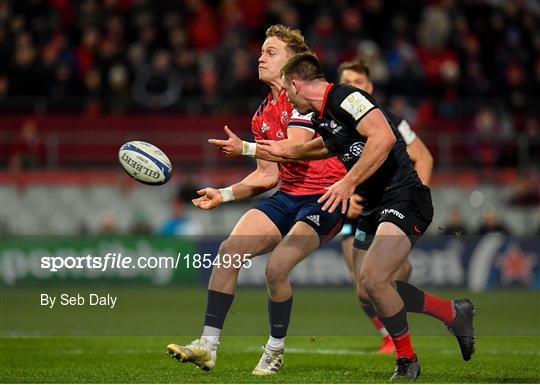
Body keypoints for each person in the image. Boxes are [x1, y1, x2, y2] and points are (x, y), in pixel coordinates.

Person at [257, 53, 476, 380]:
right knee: (367, 290)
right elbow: (316, 149)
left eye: (288, 90)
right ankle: (452, 312)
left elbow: (384, 138)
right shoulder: (323, 115)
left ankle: (407, 362)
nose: (286, 98)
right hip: (373, 207)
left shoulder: (347, 97)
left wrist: (348, 181)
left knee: (375, 278)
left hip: (402, 197)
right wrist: (251, 149)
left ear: (298, 84)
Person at [166, 26, 346, 375]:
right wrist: (225, 193)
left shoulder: (307, 95)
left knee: (276, 269)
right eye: (261, 51)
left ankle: (275, 350)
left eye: (271, 51)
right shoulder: (262, 114)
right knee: (228, 251)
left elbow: (295, 149)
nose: (261, 57)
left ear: (292, 60)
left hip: (324, 199)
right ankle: (207, 345)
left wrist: (245, 148)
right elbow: (267, 176)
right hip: (288, 195)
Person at [337, 60, 433, 354]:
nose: (352, 87)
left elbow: (424, 158)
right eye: (346, 82)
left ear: (369, 88)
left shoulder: (390, 120)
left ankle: (397, 336)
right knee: (362, 287)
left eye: (358, 82)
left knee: (384, 276)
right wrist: (345, 193)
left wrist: (414, 198)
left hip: (393, 206)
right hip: (355, 211)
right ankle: (389, 331)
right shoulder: (332, 124)